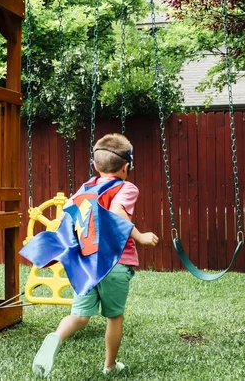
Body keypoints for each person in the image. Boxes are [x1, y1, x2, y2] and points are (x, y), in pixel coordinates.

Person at [31, 133, 159, 377]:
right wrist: (140, 236)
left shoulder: (86, 187)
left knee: (79, 317)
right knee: (114, 317)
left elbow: (68, 212)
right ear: (126, 167)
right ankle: (109, 366)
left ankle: (57, 336)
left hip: (87, 264)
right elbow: (117, 210)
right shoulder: (126, 187)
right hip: (114, 264)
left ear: (95, 166)